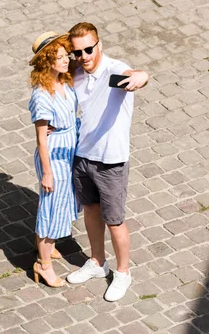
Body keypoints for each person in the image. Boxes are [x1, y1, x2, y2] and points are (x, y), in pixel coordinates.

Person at [65, 22, 149, 302]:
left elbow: (134, 74)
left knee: (114, 221)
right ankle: (98, 262)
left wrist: (140, 76)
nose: (85, 56)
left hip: (111, 161)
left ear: (99, 45)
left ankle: (123, 272)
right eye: (78, 52)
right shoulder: (76, 71)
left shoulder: (113, 69)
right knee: (90, 210)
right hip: (83, 154)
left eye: (89, 49)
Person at [28, 31, 80, 288]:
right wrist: (46, 173)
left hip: (69, 151)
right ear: (46, 61)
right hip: (54, 156)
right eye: (59, 57)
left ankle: (49, 248)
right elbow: (41, 139)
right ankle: (43, 264)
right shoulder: (41, 96)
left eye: (66, 55)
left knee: (62, 202)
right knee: (50, 208)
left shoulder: (65, 81)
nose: (66, 60)